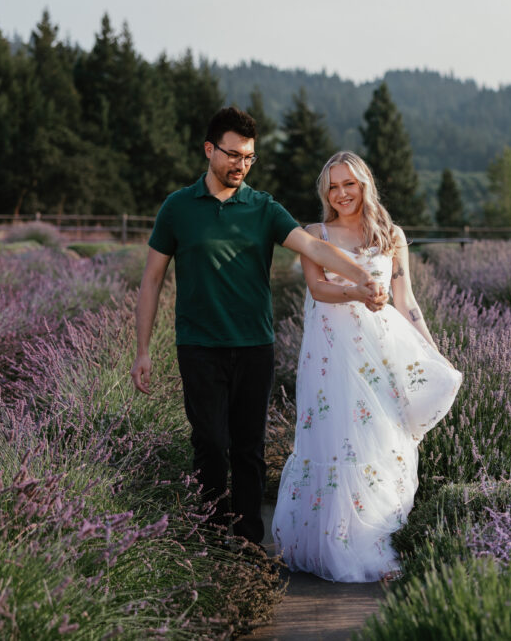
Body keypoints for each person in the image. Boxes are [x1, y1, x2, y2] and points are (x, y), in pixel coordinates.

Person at [130, 108, 387, 545]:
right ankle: (212, 540)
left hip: (254, 346)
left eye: (249, 158)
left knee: (249, 449)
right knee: (210, 444)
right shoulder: (177, 207)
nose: (240, 165)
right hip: (198, 346)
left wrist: (363, 278)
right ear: (209, 150)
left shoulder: (263, 207)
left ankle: (249, 544)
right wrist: (143, 350)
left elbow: (313, 246)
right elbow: (151, 279)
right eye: (233, 155)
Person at [271, 151, 462, 582]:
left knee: (381, 439)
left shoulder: (391, 235)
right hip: (330, 357)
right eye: (333, 186)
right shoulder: (314, 233)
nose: (341, 193)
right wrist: (358, 293)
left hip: (379, 353)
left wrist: (433, 352)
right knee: (336, 440)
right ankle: (334, 547)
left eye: (349, 184)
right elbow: (319, 290)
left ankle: (376, 542)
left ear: (365, 185)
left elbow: (406, 300)